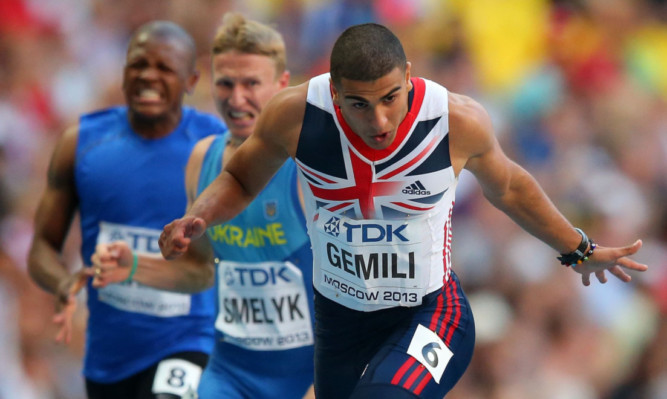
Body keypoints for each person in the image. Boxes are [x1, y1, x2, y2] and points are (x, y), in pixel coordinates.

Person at [158, 23, 649, 399]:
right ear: (334, 93)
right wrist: (197, 217)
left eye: (391, 97)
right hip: (338, 320)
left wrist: (580, 250)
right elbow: (242, 176)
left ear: (409, 77)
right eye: (359, 104)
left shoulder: (455, 120)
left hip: (431, 312)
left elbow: (512, 188)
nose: (380, 120)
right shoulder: (295, 116)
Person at [91, 13, 316, 399]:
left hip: (309, 376)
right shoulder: (203, 160)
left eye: (251, 84)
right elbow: (199, 272)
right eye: (226, 83)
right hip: (231, 374)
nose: (236, 98)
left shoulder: (307, 165)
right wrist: (133, 267)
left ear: (282, 85)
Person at [27, 21, 226, 399]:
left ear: (191, 80)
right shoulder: (80, 144)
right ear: (123, 74)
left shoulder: (214, 146)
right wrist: (62, 283)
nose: (148, 76)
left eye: (164, 68)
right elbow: (42, 246)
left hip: (188, 341)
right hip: (108, 357)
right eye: (138, 65)